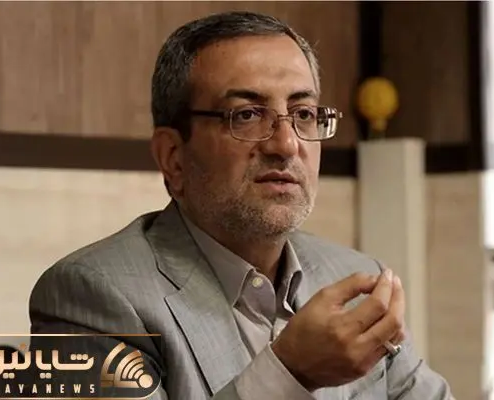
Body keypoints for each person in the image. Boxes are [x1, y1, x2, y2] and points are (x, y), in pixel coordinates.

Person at [29, 11, 452, 400]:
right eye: (247, 115)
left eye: (303, 113)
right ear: (173, 157)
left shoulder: (358, 282)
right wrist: (289, 374)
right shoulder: (90, 296)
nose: (286, 145)